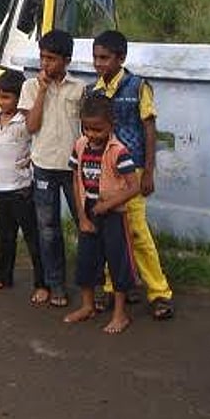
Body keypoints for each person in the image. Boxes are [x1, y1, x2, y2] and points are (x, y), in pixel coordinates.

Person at [86, 29, 175, 321]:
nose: (99, 64)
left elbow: (149, 129)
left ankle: (159, 293)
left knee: (137, 232)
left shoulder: (137, 87)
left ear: (120, 58)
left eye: (105, 58)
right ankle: (115, 286)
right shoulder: (93, 91)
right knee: (111, 232)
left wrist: (149, 171)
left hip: (132, 170)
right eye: (96, 58)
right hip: (104, 171)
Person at [18, 28, 86, 309]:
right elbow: (31, 127)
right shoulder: (30, 87)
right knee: (48, 228)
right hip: (44, 165)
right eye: (43, 57)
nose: (46, 64)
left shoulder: (79, 88)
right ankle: (54, 283)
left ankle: (90, 283)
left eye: (52, 59)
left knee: (86, 225)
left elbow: (86, 129)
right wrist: (42, 92)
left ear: (66, 60)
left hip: (73, 168)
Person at [63, 93, 140, 334]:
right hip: (89, 213)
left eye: (98, 129)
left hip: (114, 216)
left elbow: (134, 186)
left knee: (118, 264)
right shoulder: (80, 145)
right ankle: (88, 306)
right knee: (86, 261)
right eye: (87, 128)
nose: (92, 134)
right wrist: (82, 217)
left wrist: (109, 205)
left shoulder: (119, 151)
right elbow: (76, 180)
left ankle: (120, 314)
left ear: (111, 125)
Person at [0, 70, 47, 304]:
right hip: (0, 188)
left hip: (22, 188)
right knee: (5, 236)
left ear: (20, 98)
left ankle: (42, 283)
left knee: (32, 237)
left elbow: (37, 145)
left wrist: (29, 160)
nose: (1, 101)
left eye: (7, 97)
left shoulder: (25, 122)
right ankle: (2, 277)